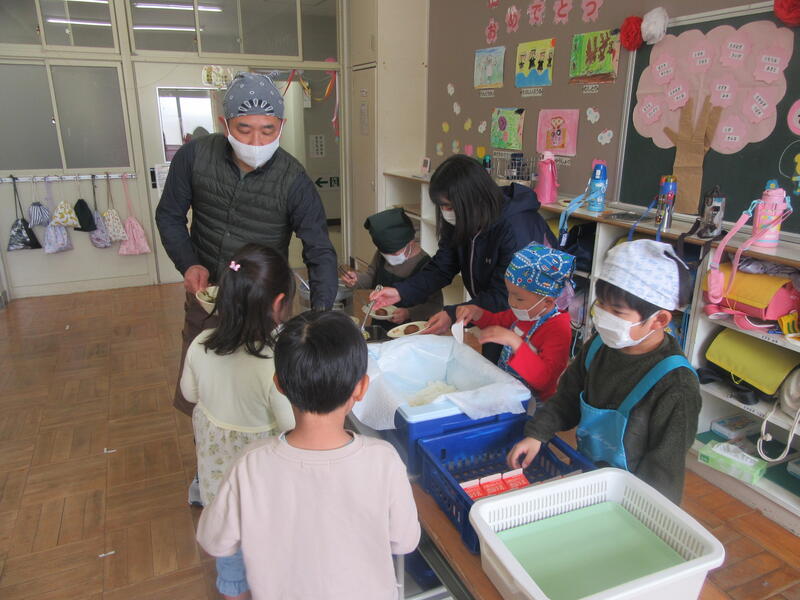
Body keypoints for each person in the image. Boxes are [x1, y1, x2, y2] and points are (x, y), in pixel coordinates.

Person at [196, 311, 420, 599]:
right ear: (362, 387)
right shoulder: (384, 460)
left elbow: (213, 540)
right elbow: (405, 541)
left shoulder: (250, 465)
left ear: (279, 384)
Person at [155, 71, 338, 421]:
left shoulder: (294, 179)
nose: (256, 141)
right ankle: (210, 447)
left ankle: (264, 452)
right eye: (244, 129)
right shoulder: (194, 157)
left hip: (266, 301)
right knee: (203, 388)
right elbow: (169, 215)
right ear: (224, 123)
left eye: (268, 130)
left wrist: (321, 313)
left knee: (269, 390)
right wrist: (189, 263)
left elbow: (319, 249)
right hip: (208, 295)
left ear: (281, 126)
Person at [506, 240, 701, 504]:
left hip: (632, 498)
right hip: (589, 473)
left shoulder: (676, 386)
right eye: (601, 304)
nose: (603, 316)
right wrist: (537, 434)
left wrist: (641, 513)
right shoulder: (599, 347)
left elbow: (664, 471)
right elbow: (566, 399)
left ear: (659, 320)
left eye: (617, 311)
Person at [181, 244, 295, 598]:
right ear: (279, 303)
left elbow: (188, 394)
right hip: (263, 492)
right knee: (269, 550)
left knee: (230, 555)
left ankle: (234, 590)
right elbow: (290, 425)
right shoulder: (274, 363)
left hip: (219, 487)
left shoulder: (200, 343)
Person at [370, 154, 556, 361]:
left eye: (449, 206)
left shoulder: (517, 228)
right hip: (495, 312)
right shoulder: (464, 218)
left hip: (530, 317)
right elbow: (442, 266)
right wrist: (401, 292)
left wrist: (453, 314)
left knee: (518, 371)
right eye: (441, 206)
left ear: (471, 199)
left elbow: (505, 294)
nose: (445, 213)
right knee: (490, 364)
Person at [455, 243, 574, 402]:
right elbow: (496, 322)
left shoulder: (558, 329)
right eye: (509, 294)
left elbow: (546, 380)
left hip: (536, 403)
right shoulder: (523, 313)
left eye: (519, 298)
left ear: (547, 302)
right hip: (509, 390)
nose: (512, 302)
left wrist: (515, 342)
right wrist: (476, 313)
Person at [341, 208, 443, 326]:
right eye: (384, 253)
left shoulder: (426, 265)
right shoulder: (384, 253)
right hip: (380, 322)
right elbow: (371, 277)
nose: (388, 257)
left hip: (410, 328)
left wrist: (409, 313)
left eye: (394, 253)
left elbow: (435, 305)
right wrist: (356, 280)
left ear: (410, 242)